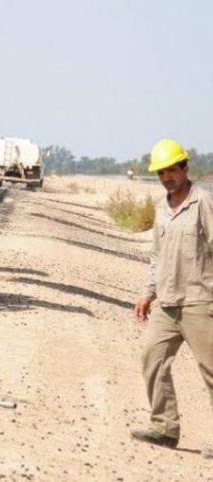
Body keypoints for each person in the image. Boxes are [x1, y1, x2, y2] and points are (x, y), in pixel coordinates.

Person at [132, 138, 213, 459]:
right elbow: (156, 256)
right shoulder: (161, 209)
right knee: (152, 358)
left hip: (199, 301)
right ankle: (165, 428)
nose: (167, 177)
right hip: (166, 303)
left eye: (172, 171)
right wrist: (147, 295)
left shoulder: (203, 203)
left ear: (185, 168)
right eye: (161, 173)